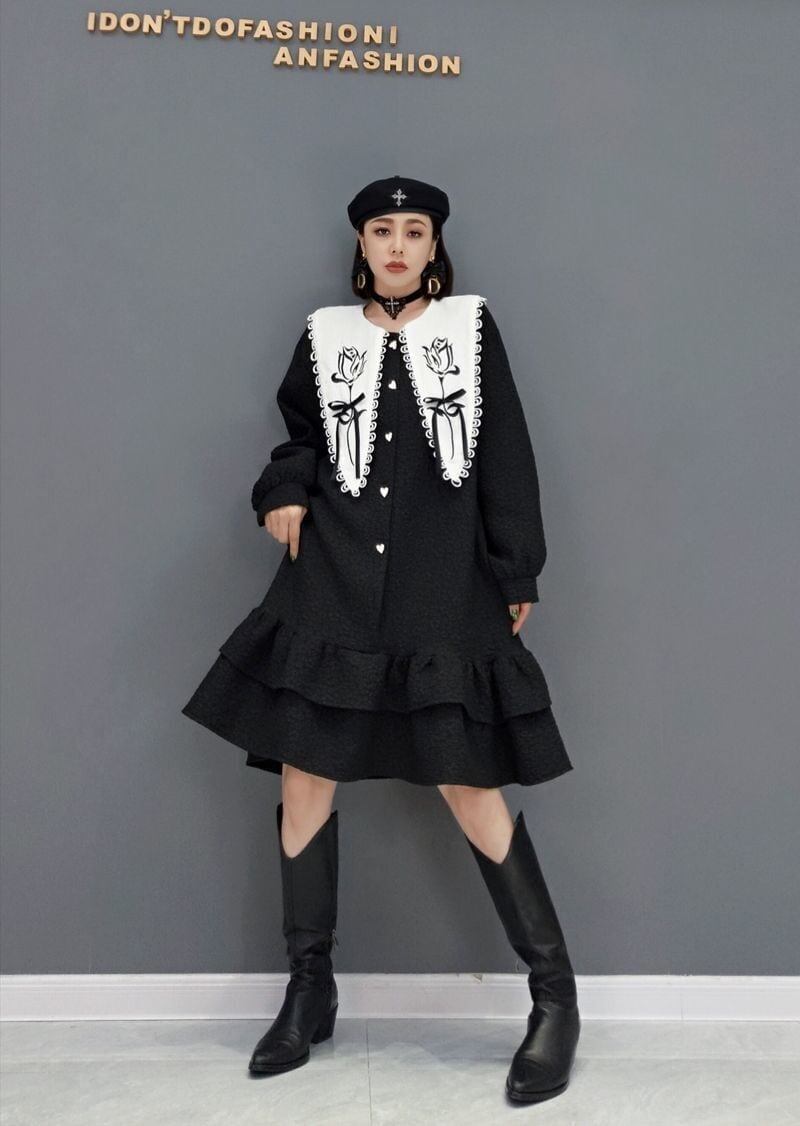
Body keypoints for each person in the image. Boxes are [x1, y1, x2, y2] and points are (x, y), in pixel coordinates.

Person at [181, 175, 580, 1104]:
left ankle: (555, 1000)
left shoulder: (470, 331)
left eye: (414, 231)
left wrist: (516, 567)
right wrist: (284, 490)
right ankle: (309, 988)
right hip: (334, 578)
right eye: (381, 231)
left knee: (468, 781)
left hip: (445, 584)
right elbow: (302, 436)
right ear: (361, 245)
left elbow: (506, 452)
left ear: (434, 247)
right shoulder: (326, 337)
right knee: (303, 771)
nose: (397, 245)